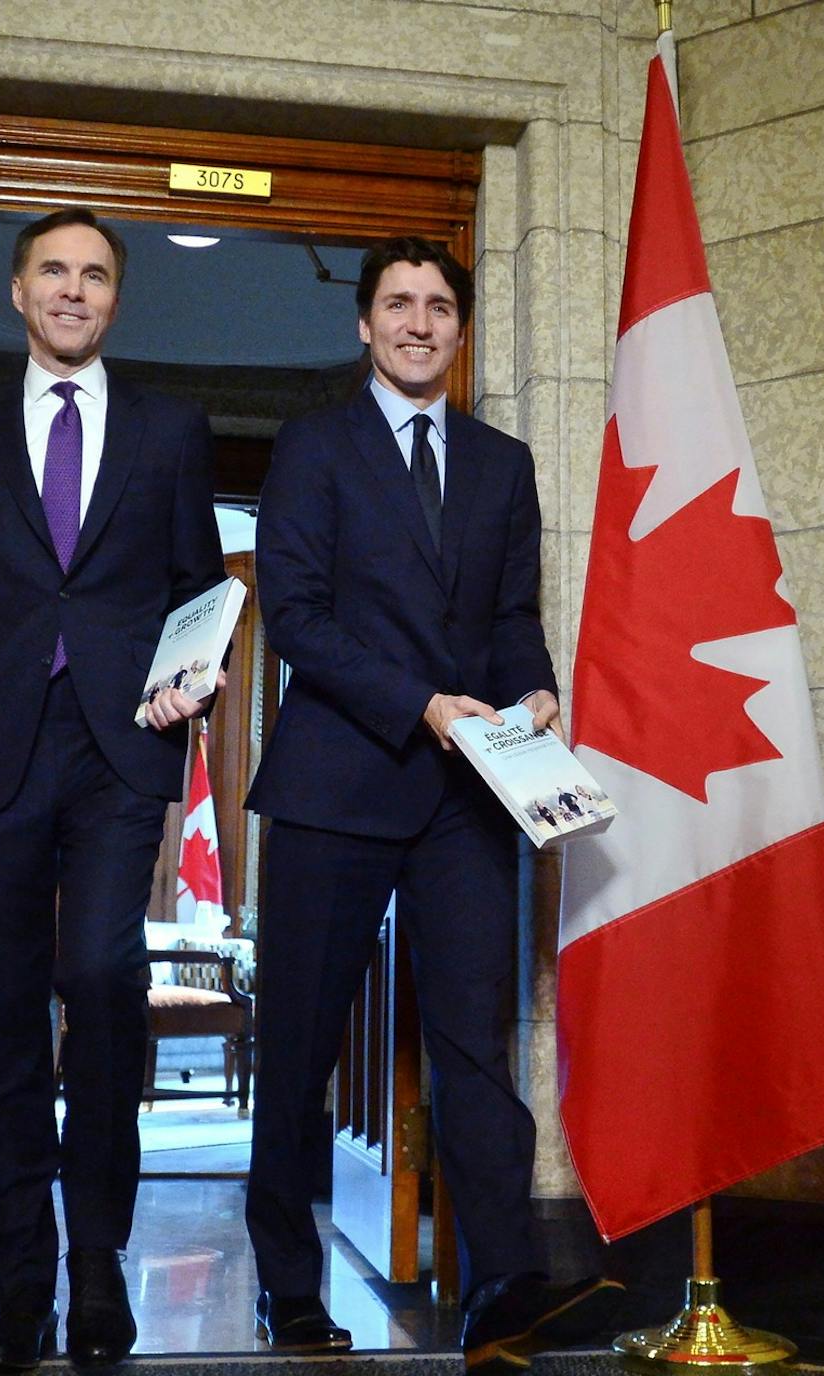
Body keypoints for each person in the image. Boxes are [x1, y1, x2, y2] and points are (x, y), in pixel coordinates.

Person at [243, 237, 626, 1372]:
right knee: (300, 1041)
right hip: (336, 784)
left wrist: (536, 683)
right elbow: (300, 618)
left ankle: (503, 1283)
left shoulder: (504, 465)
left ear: (461, 329)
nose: (420, 321)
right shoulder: (313, 446)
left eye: (439, 305)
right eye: (399, 303)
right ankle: (289, 1287)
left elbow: (512, 613)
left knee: (475, 1042)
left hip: (471, 798)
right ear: (363, 324)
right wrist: (423, 705)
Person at [0, 207, 225, 1373]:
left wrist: (196, 679)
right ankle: (22, 1294)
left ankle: (100, 1275)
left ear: (114, 299)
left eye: (94, 275)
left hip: (120, 750)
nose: (73, 292)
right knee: (9, 1017)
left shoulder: (171, 430)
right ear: (19, 295)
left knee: (100, 977)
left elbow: (200, 583)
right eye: (53, 274)